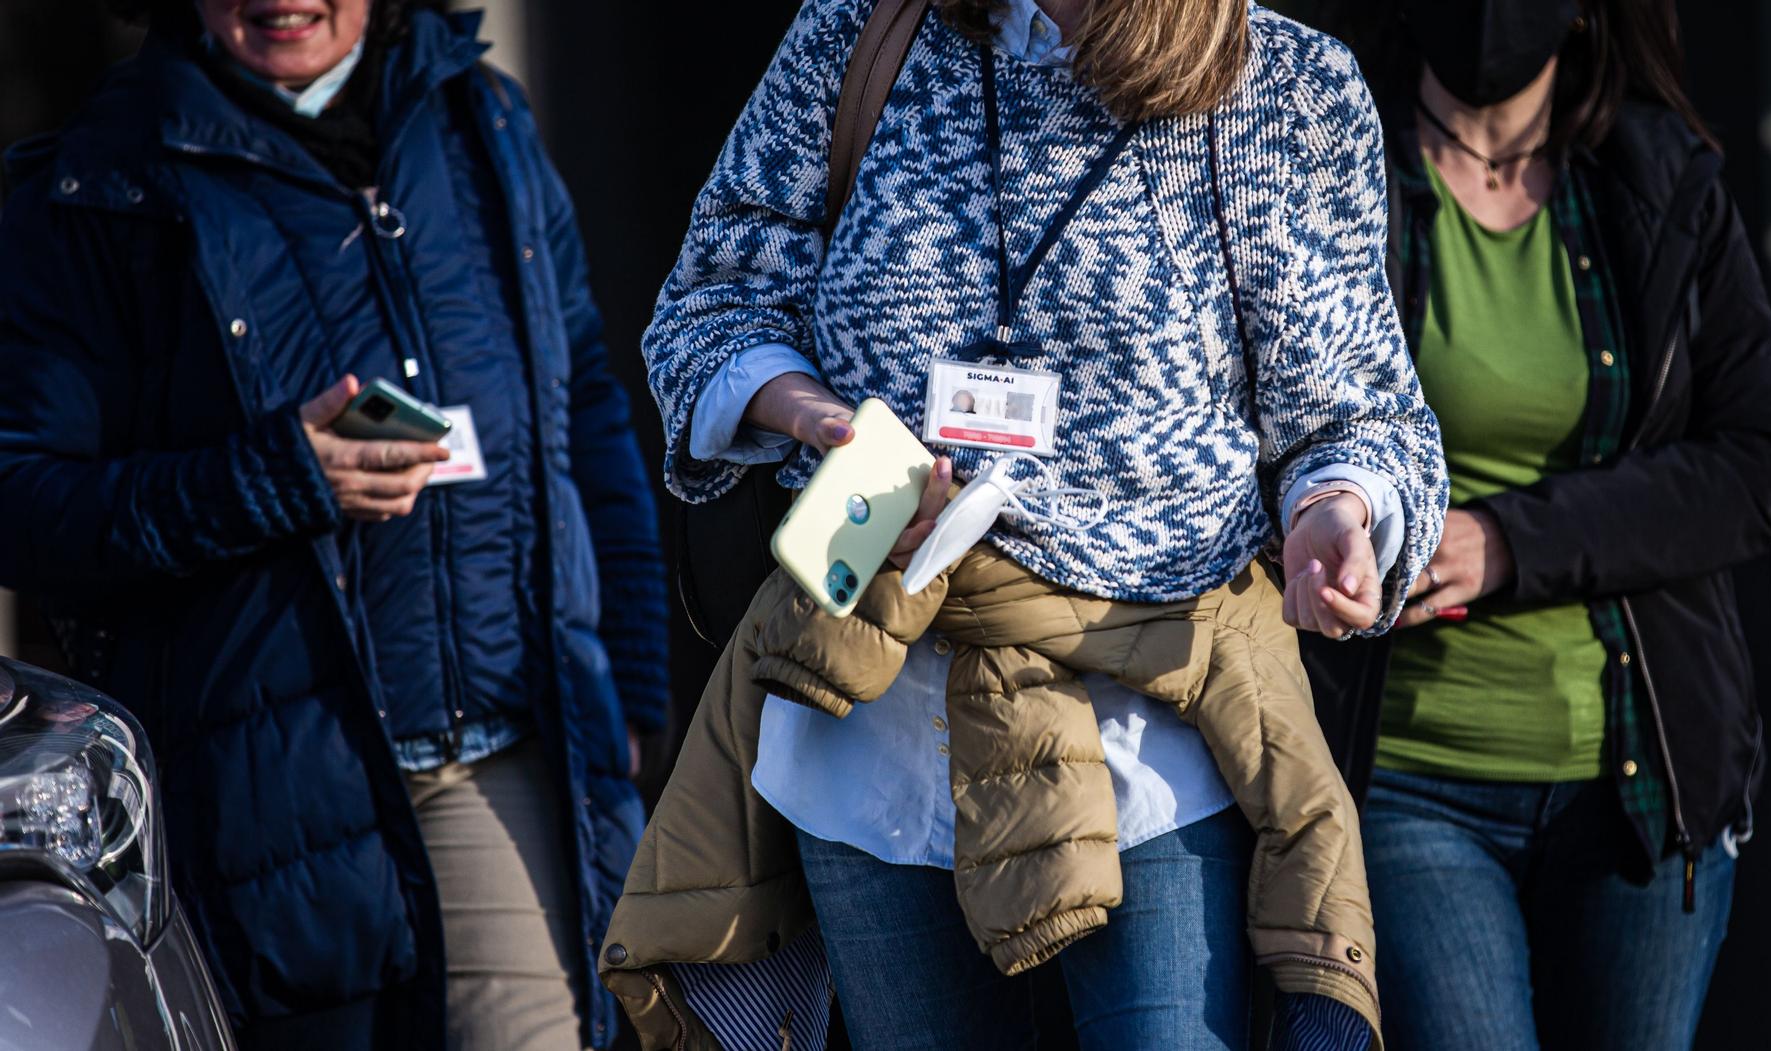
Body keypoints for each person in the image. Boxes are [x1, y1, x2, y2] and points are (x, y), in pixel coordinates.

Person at [606, 0, 1447, 1048]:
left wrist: (1337, 509)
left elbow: (1353, 411)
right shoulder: (856, 36)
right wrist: (826, 424)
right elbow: (708, 309)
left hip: (1148, 739)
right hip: (862, 715)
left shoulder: (1279, 78)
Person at [0, 1, 672, 1048]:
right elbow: (27, 506)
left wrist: (629, 675)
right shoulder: (97, 182)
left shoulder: (481, 118)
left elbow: (581, 405)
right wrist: (272, 478)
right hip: (265, 810)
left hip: (508, 759)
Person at [1293, 1, 1771, 1048]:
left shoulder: (1660, 182)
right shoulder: (1332, 166)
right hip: (1405, 778)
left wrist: (1507, 544)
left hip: (1636, 788)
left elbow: (1753, 465)